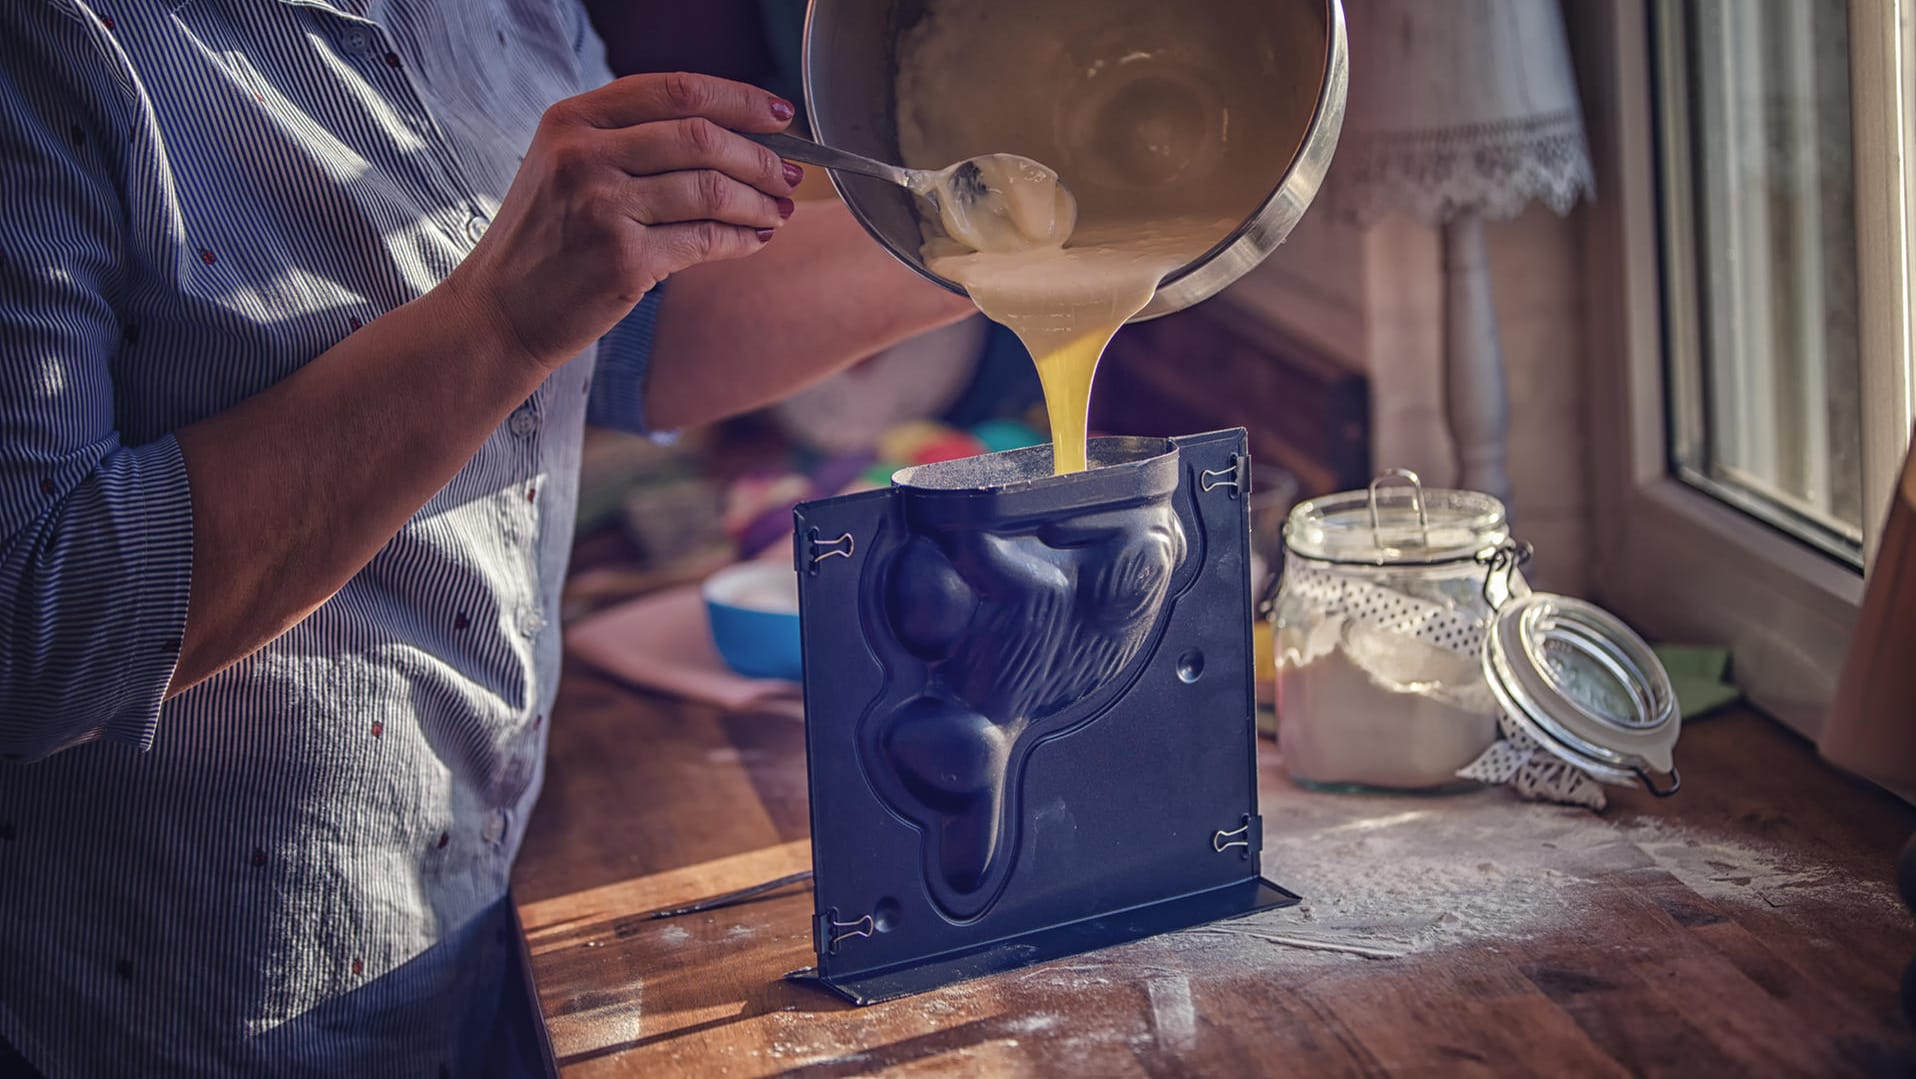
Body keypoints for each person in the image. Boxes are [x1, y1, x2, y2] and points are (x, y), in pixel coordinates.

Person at [0, 0, 972, 1073]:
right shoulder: (57, 41)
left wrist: (1002, 231)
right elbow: (26, 634)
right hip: (178, 1011)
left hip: (465, 944)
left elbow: (621, 333)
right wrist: (496, 320)